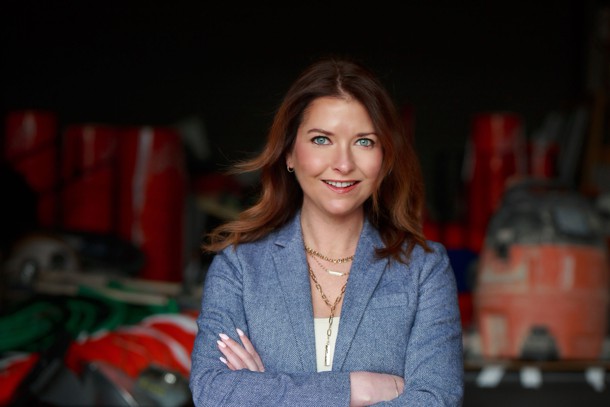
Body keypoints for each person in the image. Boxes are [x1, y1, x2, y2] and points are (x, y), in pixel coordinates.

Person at [189, 57, 463, 406]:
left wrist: (264, 391)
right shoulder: (239, 265)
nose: (343, 164)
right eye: (321, 139)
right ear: (289, 153)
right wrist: (354, 389)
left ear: (384, 157)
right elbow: (213, 390)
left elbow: (435, 400)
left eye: (364, 142)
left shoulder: (424, 269)